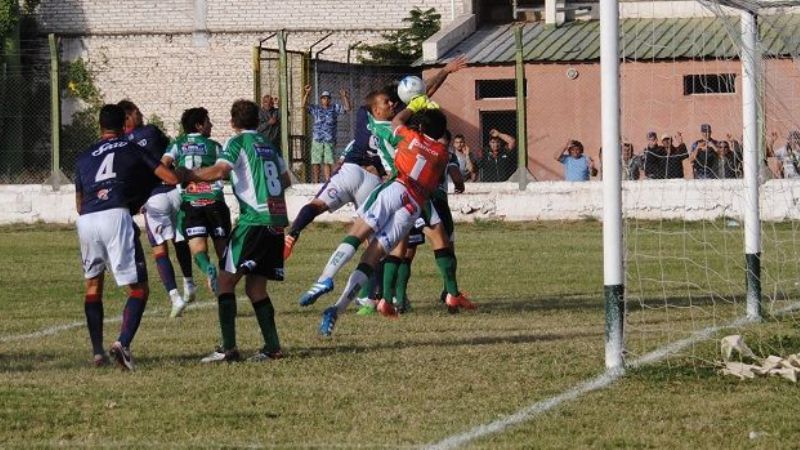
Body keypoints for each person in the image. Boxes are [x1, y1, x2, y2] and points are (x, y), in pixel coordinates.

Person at [298, 102, 468, 336]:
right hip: (414, 206)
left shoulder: (408, 137)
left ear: (419, 127)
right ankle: (337, 309)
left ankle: (325, 278)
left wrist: (414, 104)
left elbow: (397, 122)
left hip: (396, 188)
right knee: (373, 255)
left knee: (358, 232)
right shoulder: (441, 153)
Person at [283, 56, 468, 259]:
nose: (392, 104)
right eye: (390, 102)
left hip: (353, 169)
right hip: (380, 178)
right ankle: (380, 288)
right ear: (388, 105)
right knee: (390, 241)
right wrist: (445, 71)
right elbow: (424, 94)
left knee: (321, 206)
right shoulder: (398, 124)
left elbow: (419, 95)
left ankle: (293, 234)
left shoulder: (365, 113)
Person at [177, 99, 290, 363]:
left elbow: (219, 170)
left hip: (253, 221)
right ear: (257, 120)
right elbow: (284, 179)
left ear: (233, 122)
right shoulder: (269, 146)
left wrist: (188, 174)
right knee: (256, 288)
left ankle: (227, 349)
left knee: (225, 283)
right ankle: (272, 347)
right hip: (276, 220)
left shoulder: (236, 142)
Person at [75, 104, 179, 370]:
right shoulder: (130, 147)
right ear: (124, 125)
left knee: (93, 286)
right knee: (138, 289)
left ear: (100, 127)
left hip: (86, 219)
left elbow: (79, 203)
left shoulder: (84, 155)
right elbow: (168, 177)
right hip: (115, 216)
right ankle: (122, 343)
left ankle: (98, 352)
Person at [118, 100, 196, 318]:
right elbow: (169, 152)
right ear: (128, 116)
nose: (141, 115)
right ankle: (189, 284)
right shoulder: (151, 131)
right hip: (174, 191)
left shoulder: (122, 144)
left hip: (153, 198)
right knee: (180, 240)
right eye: (138, 112)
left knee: (160, 250)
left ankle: (175, 297)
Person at [161, 107, 231, 305]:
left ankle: (207, 267)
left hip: (191, 203)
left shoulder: (178, 144)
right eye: (208, 122)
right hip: (215, 201)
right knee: (223, 250)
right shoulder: (214, 146)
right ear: (199, 125)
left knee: (197, 249)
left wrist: (178, 176)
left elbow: (163, 164)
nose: (211, 125)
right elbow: (225, 171)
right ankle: (226, 293)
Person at [303, 86, 351, 183]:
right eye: (324, 98)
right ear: (321, 99)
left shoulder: (334, 108)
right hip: (317, 138)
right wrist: (307, 93)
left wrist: (344, 97)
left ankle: (327, 181)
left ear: (330, 99)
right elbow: (303, 105)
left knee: (328, 161)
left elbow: (347, 108)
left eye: (328, 98)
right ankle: (315, 182)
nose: (326, 100)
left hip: (329, 139)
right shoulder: (316, 109)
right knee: (316, 161)